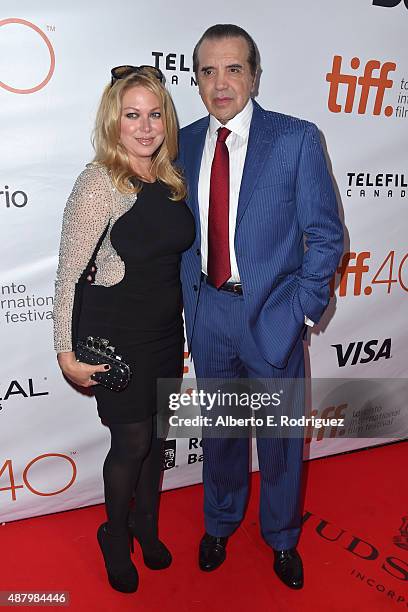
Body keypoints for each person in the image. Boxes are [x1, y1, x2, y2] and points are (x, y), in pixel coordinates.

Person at [178, 24, 344, 589]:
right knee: (222, 434)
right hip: (210, 315)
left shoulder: (295, 138)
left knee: (279, 439)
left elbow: (325, 236)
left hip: (273, 313)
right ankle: (220, 522)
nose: (220, 83)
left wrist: (299, 311)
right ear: (196, 80)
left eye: (233, 68)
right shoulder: (183, 143)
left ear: (254, 75)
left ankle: (281, 538)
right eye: (208, 71)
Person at [53, 66, 195, 593]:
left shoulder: (173, 178)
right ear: (114, 121)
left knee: (158, 441)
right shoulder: (100, 183)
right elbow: (69, 274)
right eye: (132, 115)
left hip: (164, 332)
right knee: (132, 442)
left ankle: (146, 525)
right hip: (116, 334)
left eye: (154, 114)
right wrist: (64, 352)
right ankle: (114, 534)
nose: (145, 127)